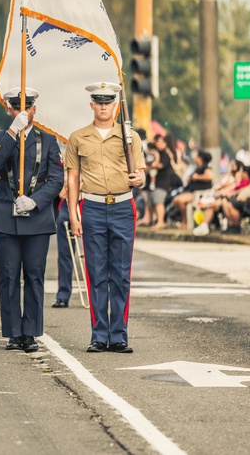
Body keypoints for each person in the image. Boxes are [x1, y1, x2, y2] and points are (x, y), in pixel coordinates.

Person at [65, 82, 146, 354]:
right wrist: (74, 213)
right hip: (93, 208)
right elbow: (73, 178)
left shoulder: (130, 137)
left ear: (115, 105)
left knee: (121, 275)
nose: (103, 106)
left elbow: (142, 173)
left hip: (123, 207)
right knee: (97, 274)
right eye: (98, 101)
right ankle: (99, 334)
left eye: (108, 102)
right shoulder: (78, 138)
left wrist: (139, 178)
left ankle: (119, 334)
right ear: (91, 105)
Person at [0, 87, 63, 353]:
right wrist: (13, 131)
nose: (23, 112)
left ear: (34, 109)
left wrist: (36, 200)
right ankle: (13, 332)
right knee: (8, 276)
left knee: (33, 275)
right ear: (9, 109)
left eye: (27, 107)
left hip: (36, 217)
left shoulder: (48, 141)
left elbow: (55, 179)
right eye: (17, 108)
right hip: (6, 214)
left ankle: (29, 332)